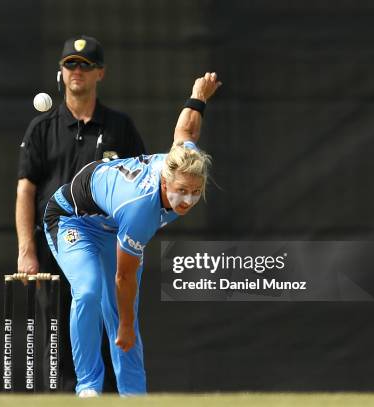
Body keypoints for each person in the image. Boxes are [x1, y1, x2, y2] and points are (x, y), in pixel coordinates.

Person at [43, 72, 221, 397]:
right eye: (182, 191)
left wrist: (198, 95)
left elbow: (186, 129)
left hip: (109, 226)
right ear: (166, 182)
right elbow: (124, 277)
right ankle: (88, 389)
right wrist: (123, 326)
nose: (188, 200)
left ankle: (134, 398)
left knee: (123, 312)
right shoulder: (142, 209)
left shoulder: (182, 159)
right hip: (71, 219)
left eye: (196, 192)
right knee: (90, 292)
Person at [16, 35, 147, 392]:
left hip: (105, 239)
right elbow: (26, 190)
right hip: (55, 240)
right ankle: (66, 396)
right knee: (56, 328)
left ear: (99, 73)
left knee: (110, 319)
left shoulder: (120, 127)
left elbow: (140, 184)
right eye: (70, 64)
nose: (77, 71)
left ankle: (107, 395)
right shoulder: (42, 128)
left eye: (85, 65)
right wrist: (27, 249)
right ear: (61, 72)